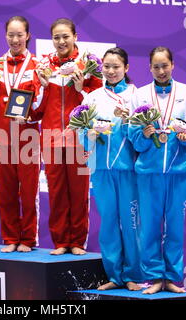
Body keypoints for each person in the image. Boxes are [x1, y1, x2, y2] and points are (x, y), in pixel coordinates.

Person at [128, 47, 186, 294]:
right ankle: (153, 279)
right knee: (149, 227)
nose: (161, 71)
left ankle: (171, 278)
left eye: (165, 65)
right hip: (148, 171)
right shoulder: (140, 95)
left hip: (177, 171)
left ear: (173, 65)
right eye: (156, 67)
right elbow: (133, 135)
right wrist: (144, 135)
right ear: (149, 68)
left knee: (174, 227)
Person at [34, 18, 102, 255]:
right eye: (56, 37)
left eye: (65, 36)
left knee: (79, 191)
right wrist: (42, 86)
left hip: (80, 138)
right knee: (57, 191)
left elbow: (98, 102)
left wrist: (82, 87)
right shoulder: (43, 66)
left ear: (75, 36)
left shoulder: (89, 66)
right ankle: (61, 242)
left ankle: (77, 242)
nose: (61, 41)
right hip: (51, 139)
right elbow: (36, 110)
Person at [0, 16, 43, 253]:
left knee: (28, 191)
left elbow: (41, 106)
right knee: (4, 190)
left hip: (27, 137)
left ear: (28, 36)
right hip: (0, 136)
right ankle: (10, 237)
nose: (15, 40)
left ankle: (28, 239)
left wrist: (31, 117)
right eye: (10, 35)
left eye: (19, 35)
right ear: (5, 36)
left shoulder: (38, 65)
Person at [80, 47, 142, 290]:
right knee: (108, 222)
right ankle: (114, 276)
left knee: (132, 222)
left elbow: (144, 138)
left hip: (129, 169)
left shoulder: (138, 97)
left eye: (116, 66)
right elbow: (80, 132)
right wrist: (89, 133)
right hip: (102, 169)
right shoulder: (92, 97)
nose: (111, 71)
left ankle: (133, 275)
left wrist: (129, 122)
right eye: (107, 66)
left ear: (126, 68)